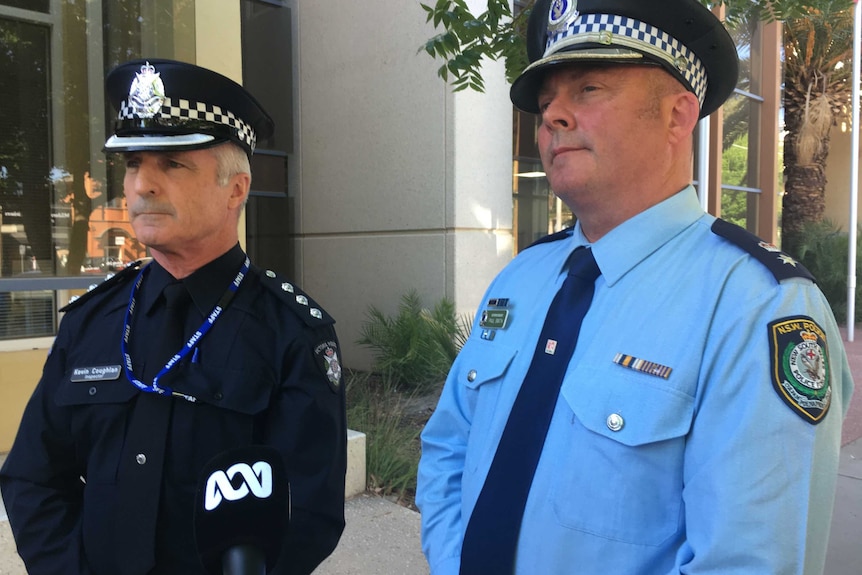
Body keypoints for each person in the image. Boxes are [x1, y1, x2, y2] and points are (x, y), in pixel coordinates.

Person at [416, 0, 855, 573]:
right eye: (546, 102)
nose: (553, 117)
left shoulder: (758, 307)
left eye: (589, 89)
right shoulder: (521, 277)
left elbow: (746, 561)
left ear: (678, 116)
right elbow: (449, 447)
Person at [0, 59, 346, 575]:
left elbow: (308, 511)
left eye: (173, 164)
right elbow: (33, 475)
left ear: (236, 189)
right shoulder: (92, 321)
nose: (143, 185)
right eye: (135, 163)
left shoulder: (291, 333)